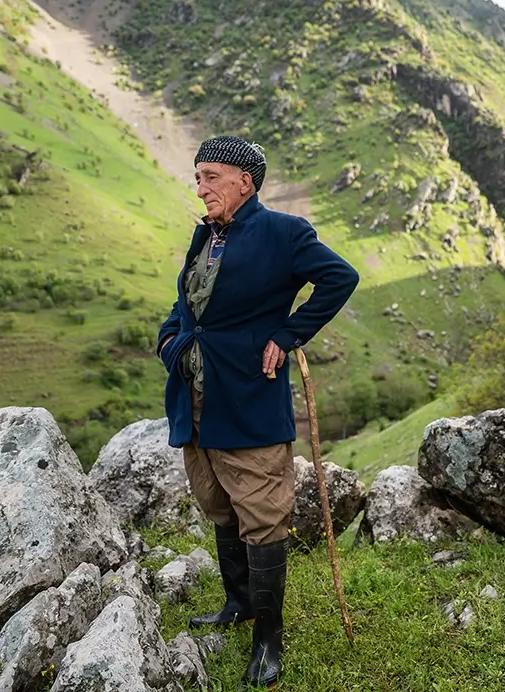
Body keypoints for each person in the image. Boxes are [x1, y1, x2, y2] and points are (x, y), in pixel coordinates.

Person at [156, 135, 359, 688]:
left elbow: (340, 278)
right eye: (197, 178)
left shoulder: (283, 233)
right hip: (196, 394)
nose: (201, 189)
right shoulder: (206, 236)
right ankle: (238, 602)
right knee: (218, 501)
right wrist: (169, 341)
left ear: (245, 182)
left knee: (262, 515)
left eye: (211, 177)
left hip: (249, 392)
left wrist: (288, 334)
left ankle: (268, 639)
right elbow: (187, 304)